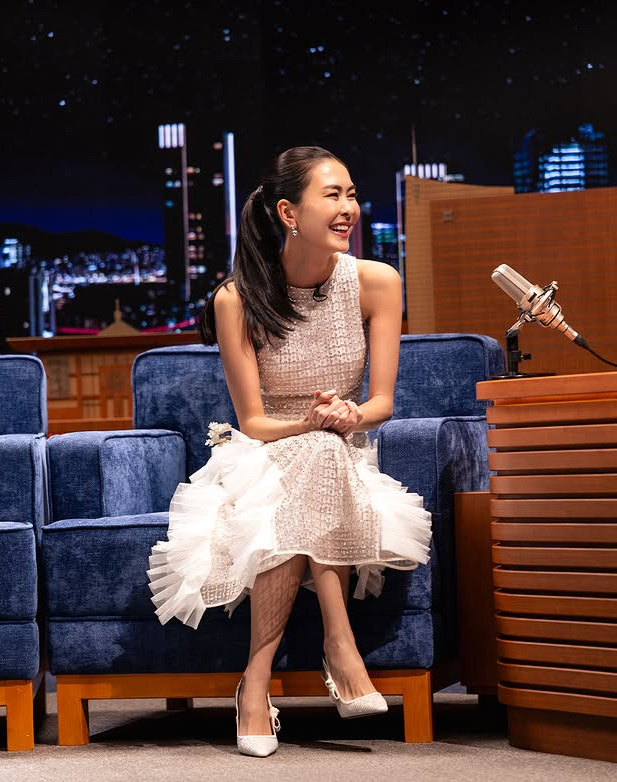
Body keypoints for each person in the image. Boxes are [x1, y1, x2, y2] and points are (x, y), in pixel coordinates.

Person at [148, 146, 432, 757]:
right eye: (332, 195)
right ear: (288, 212)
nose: (348, 207)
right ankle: (340, 646)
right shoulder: (237, 299)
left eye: (351, 194)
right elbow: (251, 421)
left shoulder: (377, 282)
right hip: (261, 455)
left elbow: (382, 402)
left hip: (345, 452)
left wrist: (348, 415)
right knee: (314, 451)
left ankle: (255, 682)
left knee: (324, 451)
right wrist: (307, 422)